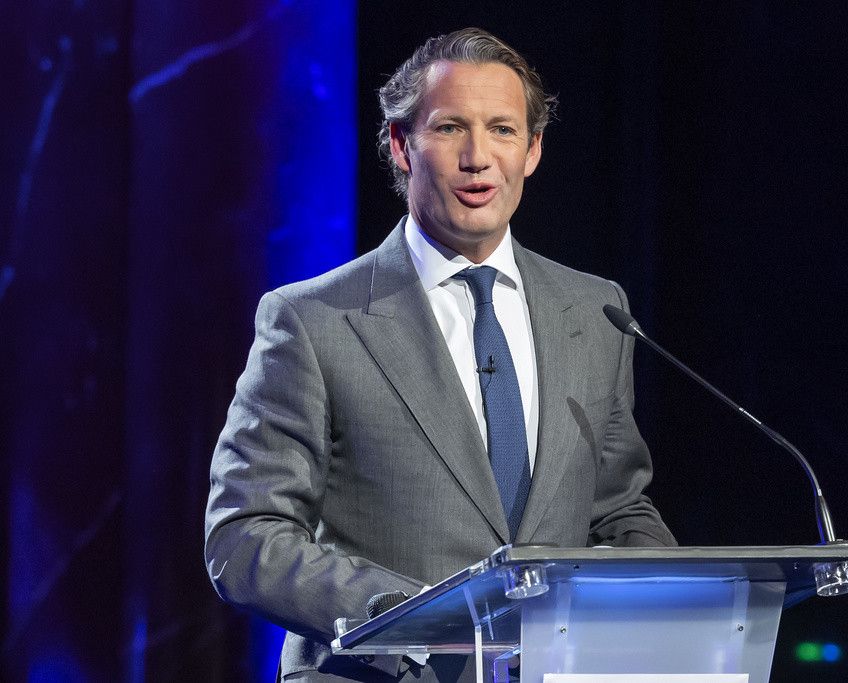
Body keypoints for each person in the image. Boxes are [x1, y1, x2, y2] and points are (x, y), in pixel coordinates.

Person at [205, 27, 676, 682]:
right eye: (451, 128)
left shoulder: (595, 312)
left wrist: (675, 601)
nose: (478, 156)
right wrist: (408, 615)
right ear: (402, 145)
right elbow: (245, 535)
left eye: (503, 130)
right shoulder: (311, 319)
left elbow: (617, 508)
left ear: (533, 150)